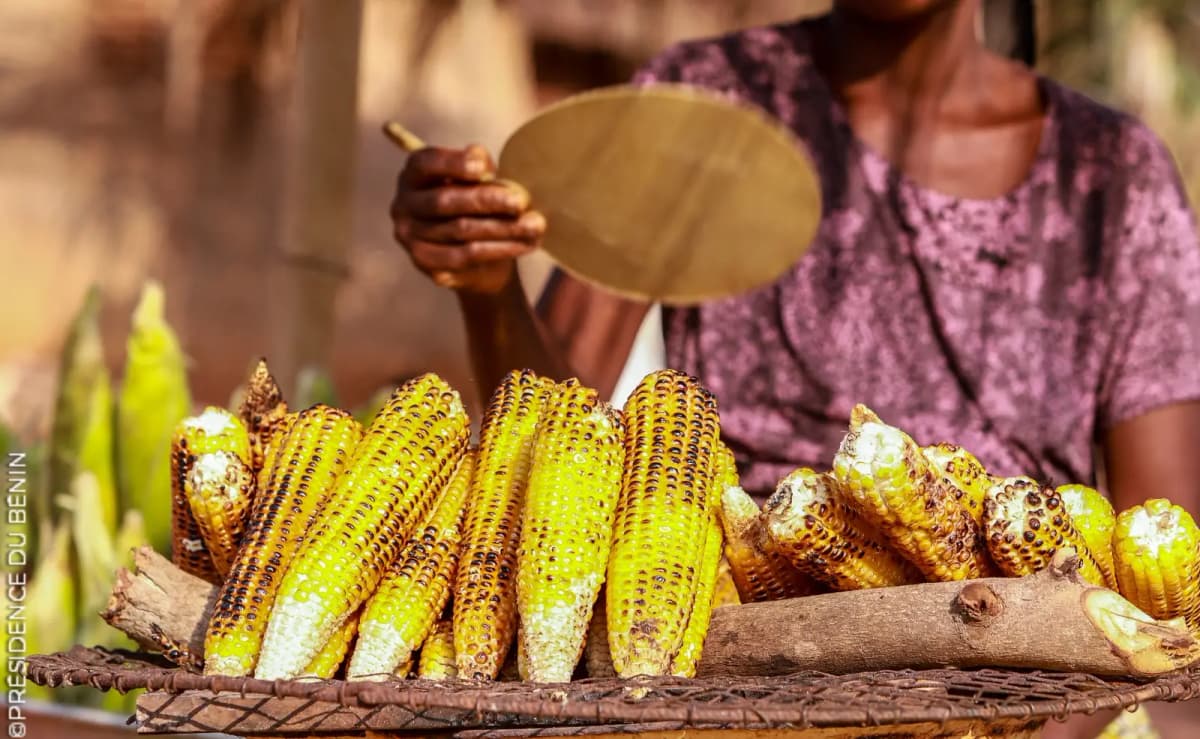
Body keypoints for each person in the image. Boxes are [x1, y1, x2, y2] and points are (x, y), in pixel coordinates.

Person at [390, 2, 1200, 736]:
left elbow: (1160, 574)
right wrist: (488, 290)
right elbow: (552, 427)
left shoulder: (1109, 174)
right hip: (728, 671)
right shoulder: (705, 104)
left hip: (1037, 692)